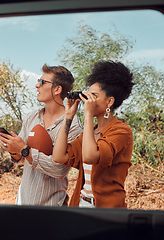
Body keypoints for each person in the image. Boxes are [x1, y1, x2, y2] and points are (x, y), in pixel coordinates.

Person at [53, 60, 134, 208]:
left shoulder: (121, 131)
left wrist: (88, 115)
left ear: (109, 101)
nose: (88, 100)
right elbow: (58, 156)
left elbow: (91, 156)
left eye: (94, 96)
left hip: (107, 210)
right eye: (87, 95)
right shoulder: (91, 132)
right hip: (81, 204)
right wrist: (68, 116)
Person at [0, 64, 82, 206]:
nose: (37, 85)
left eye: (42, 82)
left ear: (57, 89)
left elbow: (59, 170)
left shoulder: (73, 126)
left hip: (51, 207)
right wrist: (13, 150)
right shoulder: (31, 117)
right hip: (23, 201)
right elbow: (20, 160)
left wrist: (24, 150)